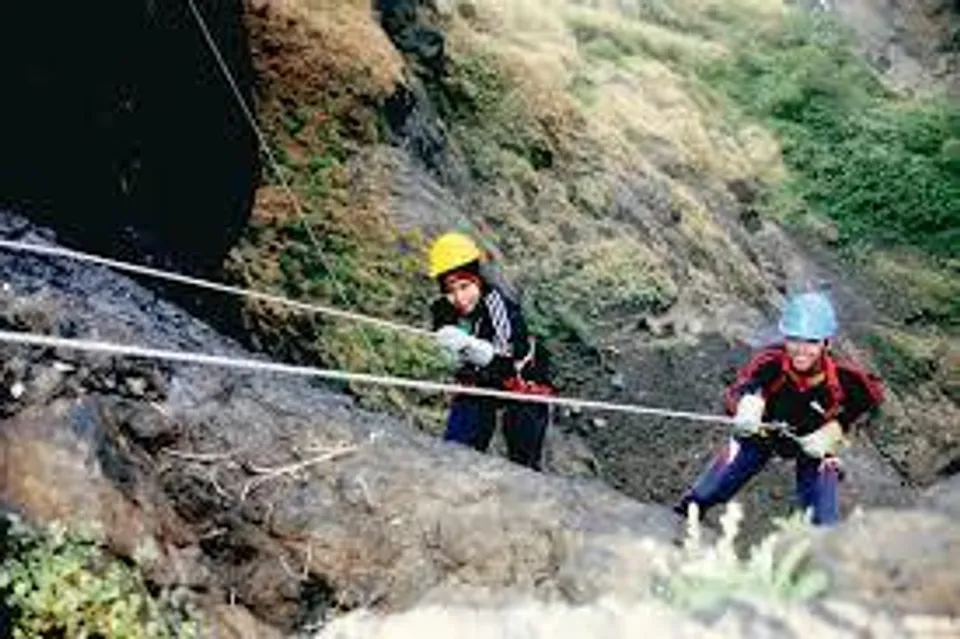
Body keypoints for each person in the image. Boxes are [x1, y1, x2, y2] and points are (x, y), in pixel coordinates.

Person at [674, 291, 885, 525]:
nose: (801, 349)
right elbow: (741, 387)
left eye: (811, 341)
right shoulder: (770, 361)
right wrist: (745, 405)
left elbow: (872, 402)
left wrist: (835, 430)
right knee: (705, 493)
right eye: (794, 339)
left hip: (814, 444)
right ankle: (682, 520)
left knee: (824, 520)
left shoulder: (848, 378)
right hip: (762, 433)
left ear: (826, 343)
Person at [427, 231, 553, 470]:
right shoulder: (443, 309)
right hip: (479, 382)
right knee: (457, 448)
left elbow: (509, 360)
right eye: (451, 291)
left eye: (465, 287)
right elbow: (443, 347)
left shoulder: (498, 306)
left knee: (524, 461)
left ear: (477, 280)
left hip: (522, 382)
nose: (459, 298)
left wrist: (472, 347)